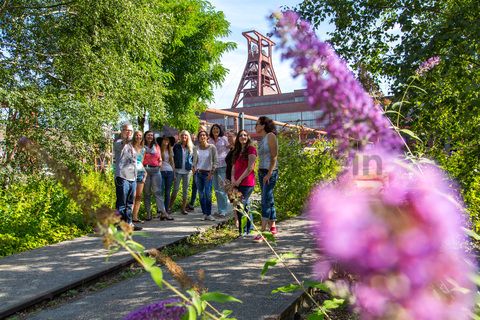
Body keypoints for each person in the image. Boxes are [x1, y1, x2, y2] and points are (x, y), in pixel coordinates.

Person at [253, 116, 278, 242]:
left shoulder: (270, 136)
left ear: (263, 125)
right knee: (269, 198)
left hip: (270, 172)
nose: (255, 126)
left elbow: (274, 157)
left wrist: (269, 173)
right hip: (262, 172)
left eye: (257, 124)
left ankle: (262, 232)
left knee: (264, 200)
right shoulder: (262, 139)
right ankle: (273, 226)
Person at [113, 123, 142, 231]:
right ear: (122, 131)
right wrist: (127, 138)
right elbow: (124, 141)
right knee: (121, 203)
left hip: (132, 177)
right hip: (122, 177)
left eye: (130, 130)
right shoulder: (118, 142)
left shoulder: (133, 146)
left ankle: (129, 224)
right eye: (126, 130)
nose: (128, 132)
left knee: (129, 203)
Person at [231, 130, 257, 237]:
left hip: (247, 182)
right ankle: (246, 230)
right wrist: (232, 178)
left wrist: (239, 180)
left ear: (248, 137)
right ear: (238, 138)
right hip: (236, 182)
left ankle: (245, 231)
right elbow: (233, 166)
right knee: (243, 206)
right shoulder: (237, 150)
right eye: (241, 135)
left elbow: (250, 167)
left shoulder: (251, 149)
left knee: (242, 205)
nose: (243, 137)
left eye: (245, 135)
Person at [143, 131, 173, 221]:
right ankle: (148, 214)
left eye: (151, 135)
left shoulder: (156, 146)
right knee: (147, 193)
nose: (150, 136)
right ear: (145, 136)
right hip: (145, 171)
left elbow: (160, 158)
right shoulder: (141, 146)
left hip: (156, 170)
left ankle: (163, 213)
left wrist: (159, 164)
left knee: (158, 192)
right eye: (148, 135)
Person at [192, 130, 218, 221]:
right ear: (198, 138)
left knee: (208, 193)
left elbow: (215, 161)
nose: (202, 137)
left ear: (207, 137)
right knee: (201, 194)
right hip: (198, 173)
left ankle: (209, 213)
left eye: (204, 135)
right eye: (200, 136)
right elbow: (194, 161)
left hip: (208, 173)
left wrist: (212, 172)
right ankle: (204, 213)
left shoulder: (212, 147)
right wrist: (194, 169)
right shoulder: (196, 148)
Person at [170, 130, 194, 215]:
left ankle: (183, 209)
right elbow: (172, 157)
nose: (184, 137)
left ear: (188, 137)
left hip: (187, 171)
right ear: (180, 137)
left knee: (185, 190)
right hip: (178, 171)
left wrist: (193, 167)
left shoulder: (191, 147)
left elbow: (194, 159)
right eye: (183, 136)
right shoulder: (176, 146)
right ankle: (169, 207)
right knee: (175, 189)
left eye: (186, 136)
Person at [208, 124, 229, 218]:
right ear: (211, 131)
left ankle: (224, 210)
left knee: (222, 189)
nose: (215, 130)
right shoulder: (210, 140)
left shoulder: (224, 139)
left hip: (222, 166)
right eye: (213, 129)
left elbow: (230, 148)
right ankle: (220, 209)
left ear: (220, 130)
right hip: (213, 167)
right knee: (216, 189)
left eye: (217, 129)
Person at [186, 125, 206, 212]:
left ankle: (205, 205)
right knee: (195, 186)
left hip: (205, 169)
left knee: (205, 188)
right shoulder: (194, 142)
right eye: (199, 130)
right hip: (196, 168)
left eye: (202, 130)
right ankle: (192, 204)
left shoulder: (208, 143)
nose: (200, 132)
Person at [157, 134, 175, 216]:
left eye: (167, 140)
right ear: (162, 141)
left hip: (170, 172)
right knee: (160, 191)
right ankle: (161, 210)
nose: (166, 142)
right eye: (165, 140)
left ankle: (166, 211)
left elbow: (172, 163)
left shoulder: (170, 150)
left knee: (167, 192)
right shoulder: (158, 150)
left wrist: (174, 174)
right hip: (161, 172)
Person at [132, 130, 146, 224]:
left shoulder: (143, 149)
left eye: (140, 135)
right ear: (134, 136)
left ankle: (135, 217)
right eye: (137, 135)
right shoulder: (130, 147)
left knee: (138, 196)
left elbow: (141, 162)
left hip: (141, 173)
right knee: (131, 196)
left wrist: (145, 172)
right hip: (131, 173)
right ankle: (128, 218)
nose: (138, 137)